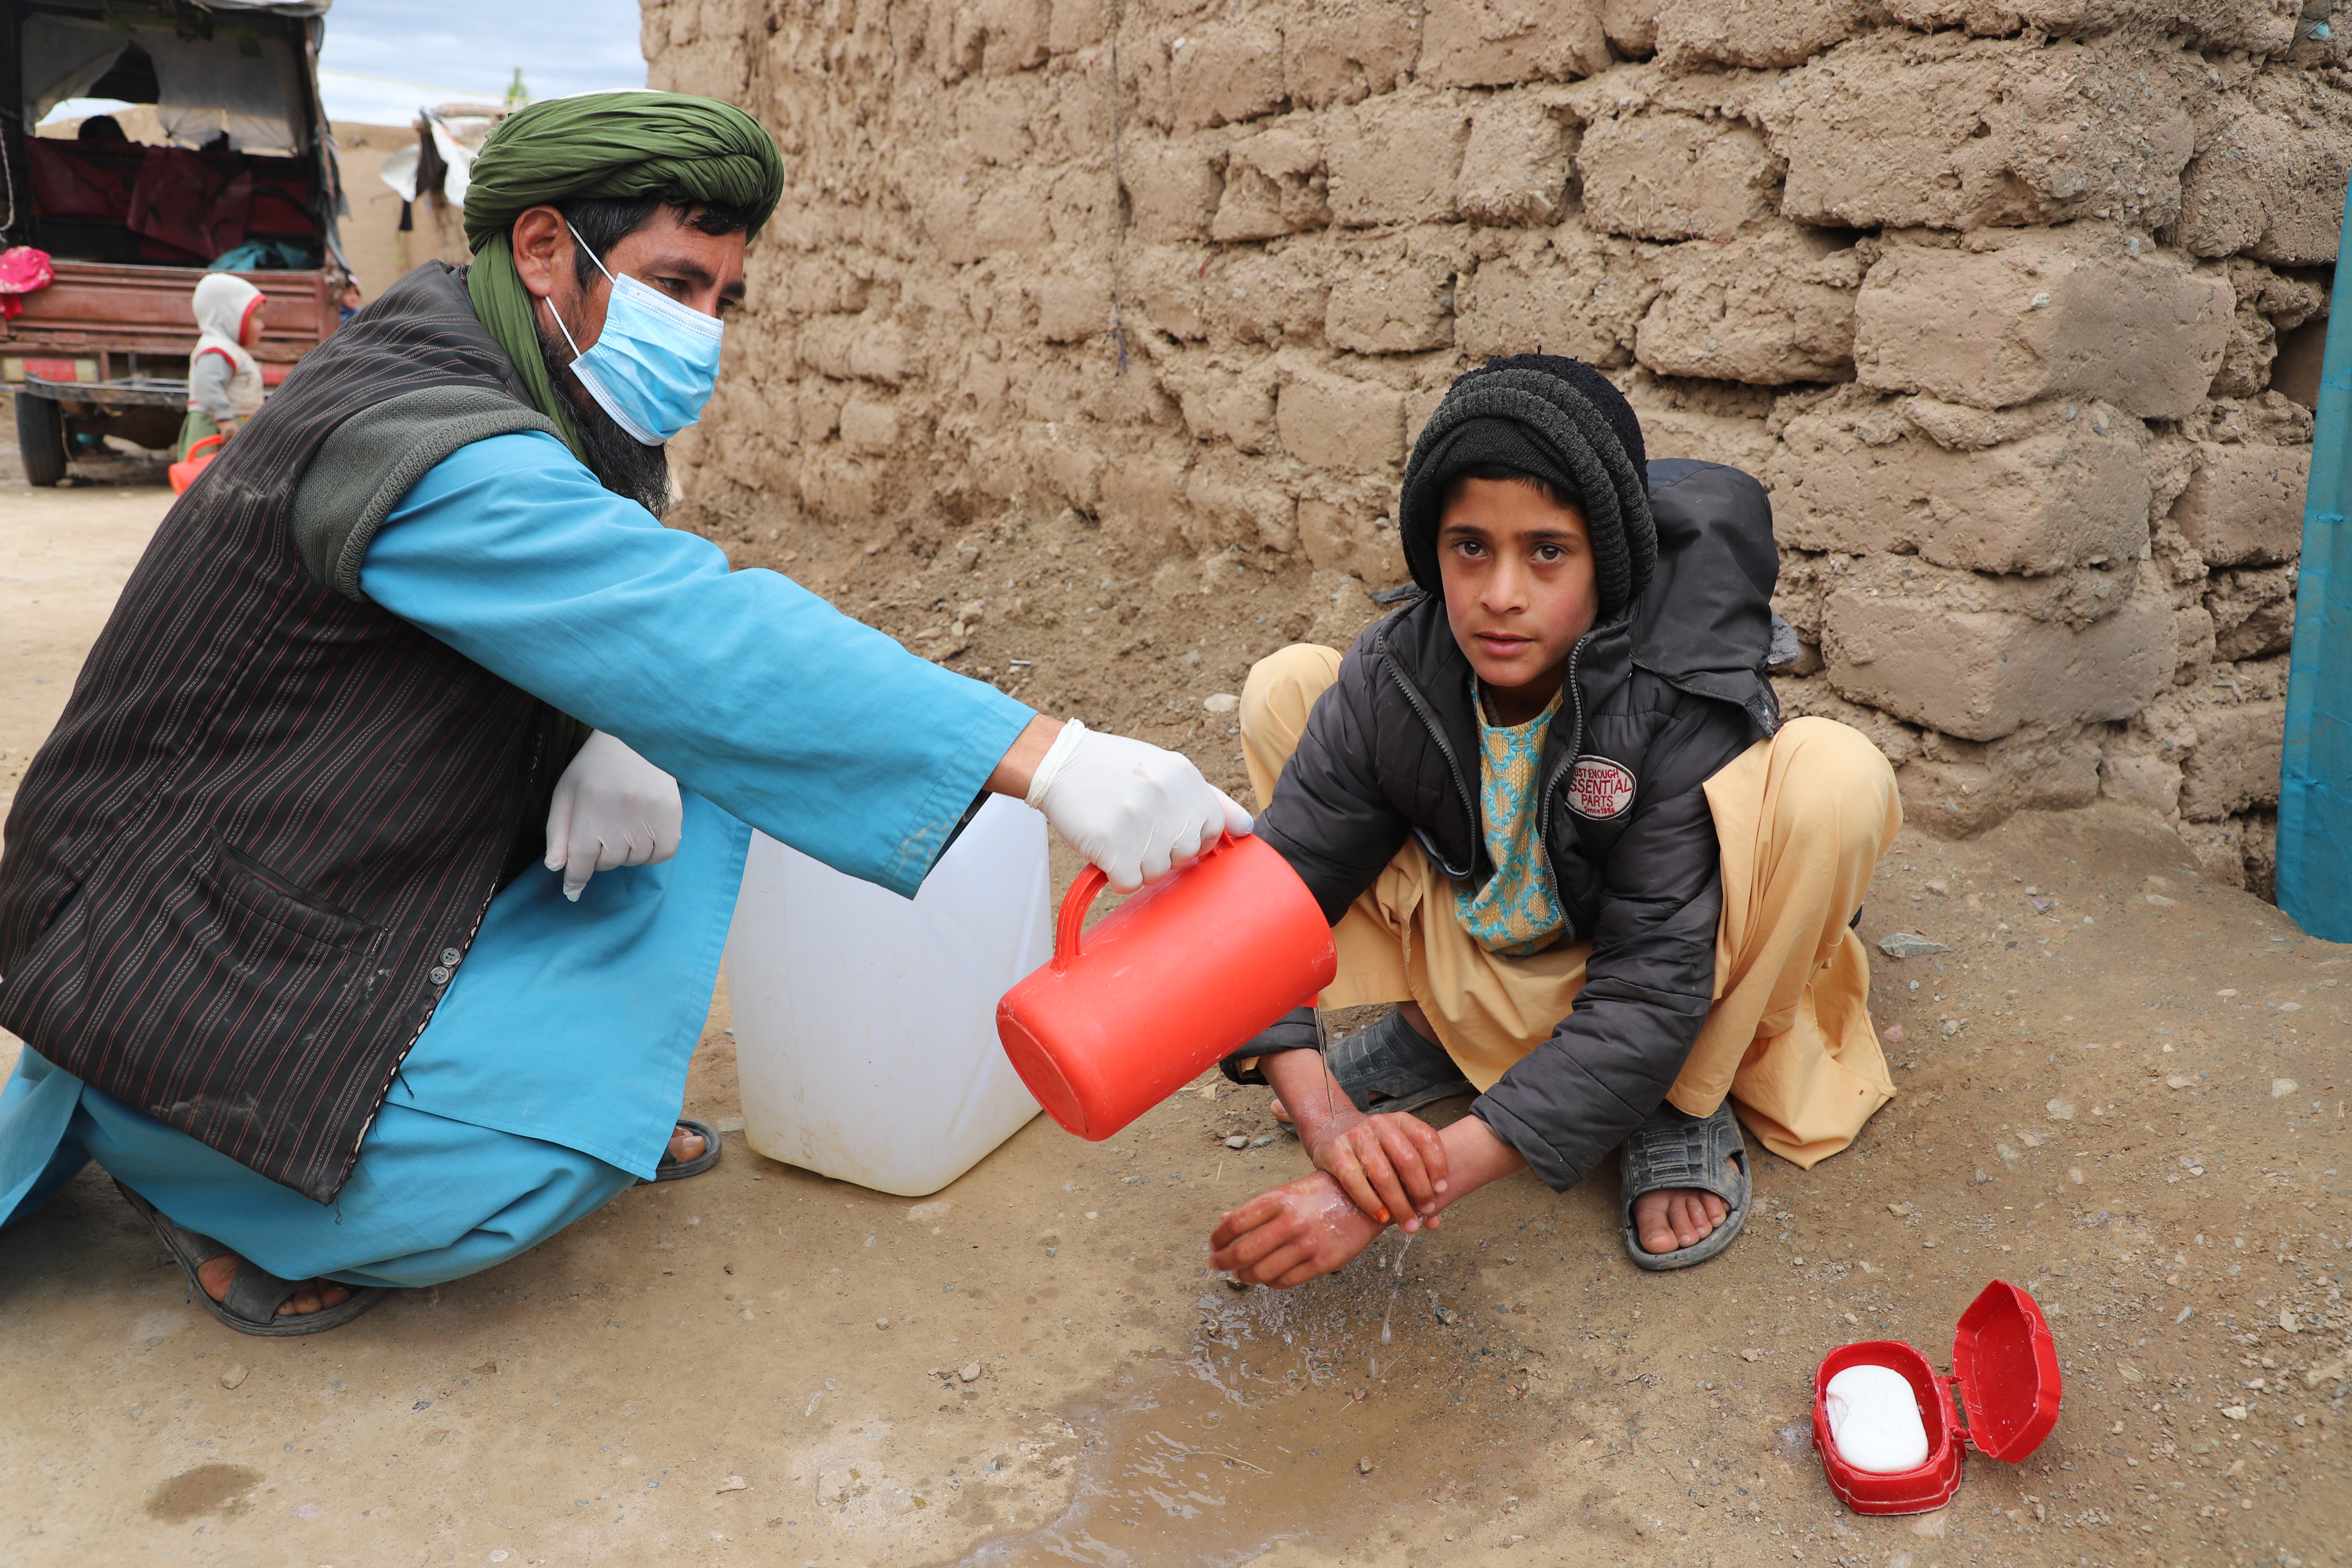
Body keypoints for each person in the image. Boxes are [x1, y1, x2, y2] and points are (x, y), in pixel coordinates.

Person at [0, 92, 1247, 1337]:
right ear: (544, 249)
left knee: (680, 748)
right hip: (181, 957)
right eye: (674, 284)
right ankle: (208, 1179)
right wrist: (1047, 757)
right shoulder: (428, 436)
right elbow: (693, 632)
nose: (703, 331)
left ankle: (500, 1091)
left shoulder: (503, 379)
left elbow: (616, 609)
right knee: (514, 1178)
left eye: (722, 301)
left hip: (274, 897)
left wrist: (616, 720)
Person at [1206, 355, 1901, 1290]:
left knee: (1836, 779)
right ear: (1432, 552)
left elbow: (1650, 988)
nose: (1501, 593)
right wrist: (1329, 1122)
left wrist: (1379, 1197)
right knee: (1289, 685)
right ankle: (1439, 1027)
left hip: (1660, 976)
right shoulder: (1398, 672)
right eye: (1469, 548)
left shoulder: (1669, 688)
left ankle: (1680, 1101)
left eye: (1546, 551)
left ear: (1603, 561)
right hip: (1496, 942)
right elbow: (1267, 902)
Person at [175, 271, 265, 461]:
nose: (262, 326)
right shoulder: (216, 350)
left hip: (232, 427)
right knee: (210, 480)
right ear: (230, 317)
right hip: (216, 431)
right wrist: (224, 419)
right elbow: (207, 385)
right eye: (257, 318)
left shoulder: (230, 349)